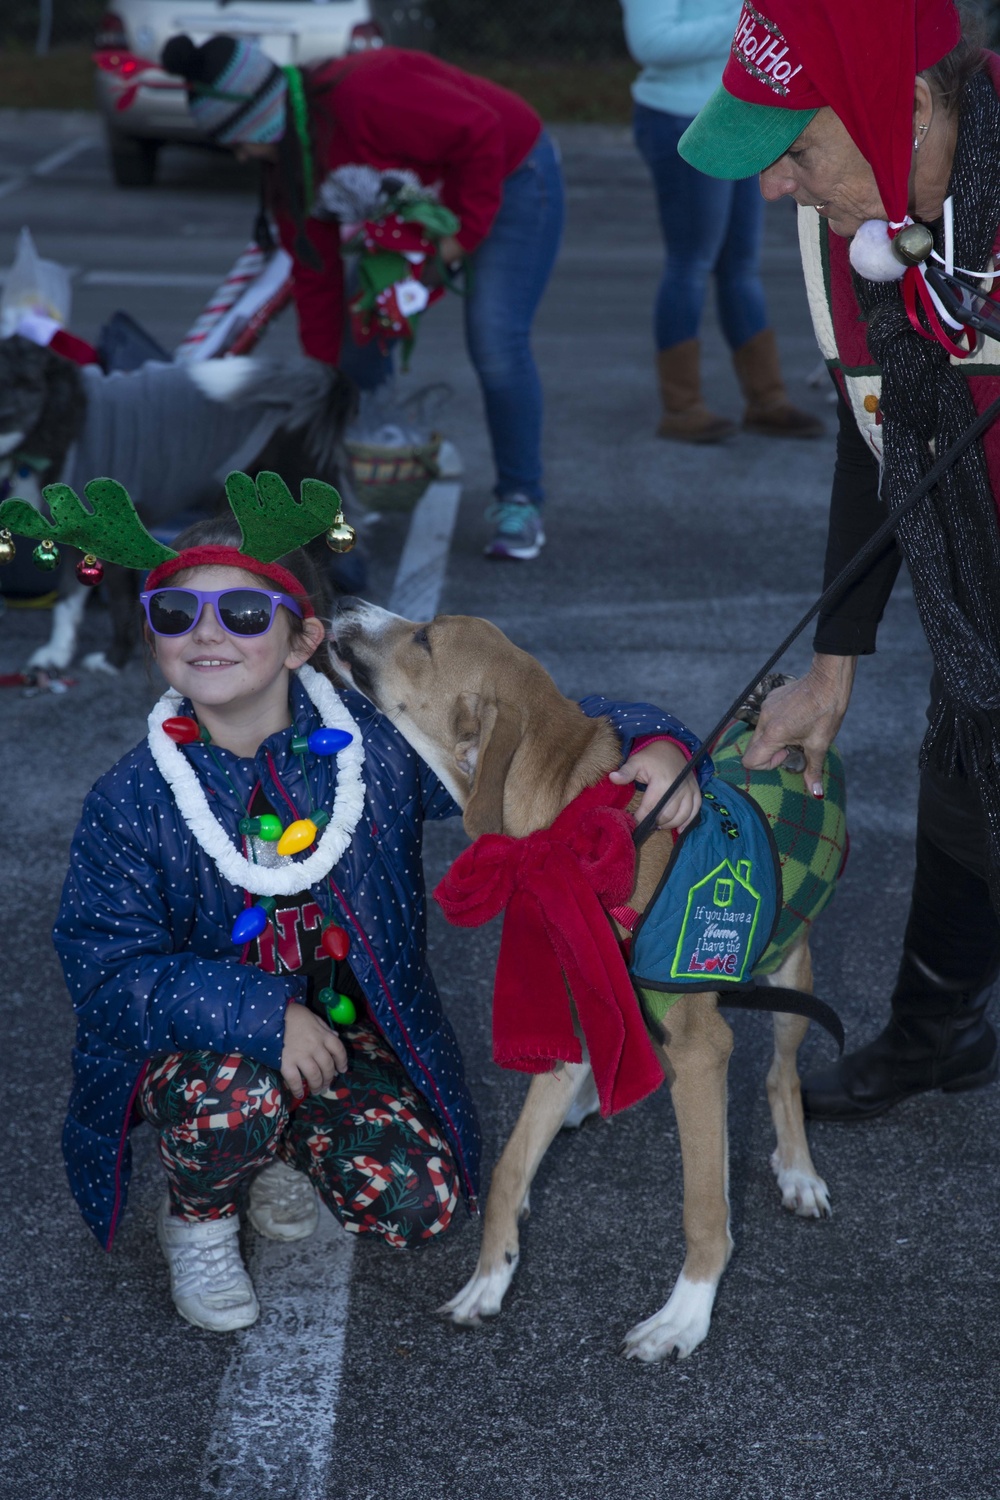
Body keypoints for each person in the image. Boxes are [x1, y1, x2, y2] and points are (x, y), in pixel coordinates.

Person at [40, 481, 710, 1332]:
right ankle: (201, 1216)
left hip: (348, 1031)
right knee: (232, 1094)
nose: (206, 633)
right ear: (155, 635)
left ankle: (282, 1150)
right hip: (207, 1050)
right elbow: (106, 968)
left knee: (419, 1202)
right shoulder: (132, 797)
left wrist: (660, 743)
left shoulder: (375, 754)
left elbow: (553, 724)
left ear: (303, 642)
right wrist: (261, 1017)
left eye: (243, 613)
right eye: (177, 613)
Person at [677, 0, 1000, 1120]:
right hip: (983, 590)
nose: (775, 185)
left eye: (797, 148)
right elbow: (881, 435)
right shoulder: (853, 234)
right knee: (964, 782)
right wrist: (834, 667)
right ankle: (937, 1032)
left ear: (903, 108)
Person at [159, 33, 564, 564]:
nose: (239, 155)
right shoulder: (289, 169)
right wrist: (321, 386)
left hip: (511, 176)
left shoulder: (366, 95)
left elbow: (480, 132)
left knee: (495, 340)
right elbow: (316, 276)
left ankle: (519, 499)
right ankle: (352, 480)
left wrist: (458, 241)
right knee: (361, 334)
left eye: (237, 140)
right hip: (425, 204)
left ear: (260, 118)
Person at [621, 0, 823, 443]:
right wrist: (750, 18)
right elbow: (650, 43)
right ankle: (682, 408)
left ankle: (766, 400)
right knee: (690, 264)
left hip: (735, 114)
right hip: (682, 116)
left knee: (740, 266)